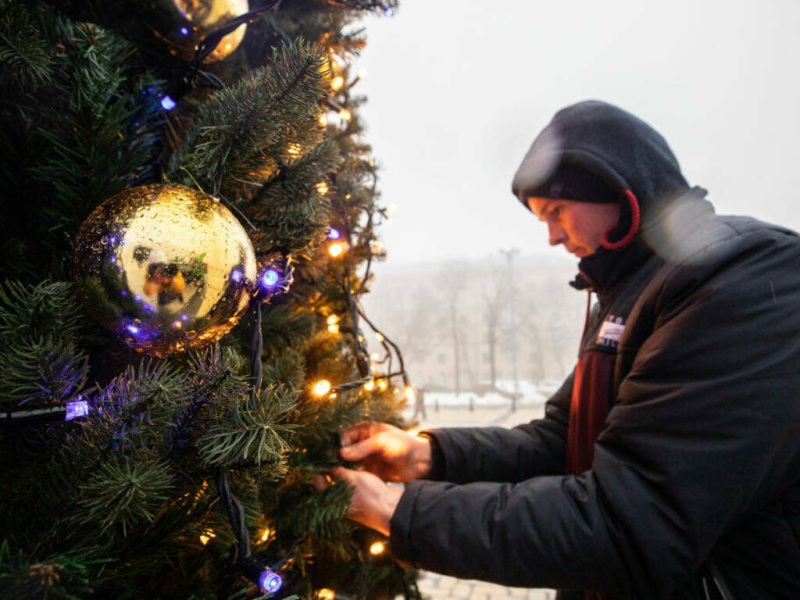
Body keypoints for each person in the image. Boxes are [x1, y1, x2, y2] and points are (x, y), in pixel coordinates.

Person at [314, 101, 800, 600]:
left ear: (615, 188)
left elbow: (629, 523)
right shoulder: (631, 289)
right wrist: (426, 455)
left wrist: (399, 514)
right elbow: (563, 443)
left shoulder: (738, 280)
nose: (550, 237)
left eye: (556, 211)